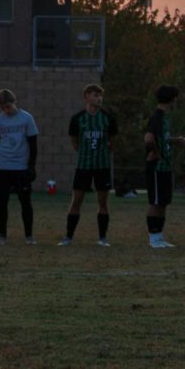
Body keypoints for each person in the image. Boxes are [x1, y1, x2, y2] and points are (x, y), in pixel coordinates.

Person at [60, 84, 117, 247]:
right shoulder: (77, 118)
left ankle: (102, 238)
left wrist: (103, 153)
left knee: (103, 202)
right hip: (83, 166)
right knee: (76, 200)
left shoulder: (108, 118)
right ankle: (68, 237)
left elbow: (112, 143)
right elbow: (74, 142)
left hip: (102, 166)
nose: (98, 98)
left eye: (100, 95)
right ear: (86, 97)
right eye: (95, 95)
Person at [0, 88, 38, 246]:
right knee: (2, 202)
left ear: (14, 102)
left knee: (25, 202)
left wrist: (31, 167)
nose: (6, 110)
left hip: (21, 168)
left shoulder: (26, 118)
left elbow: (33, 145)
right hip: (3, 167)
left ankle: (29, 236)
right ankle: (2, 236)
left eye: (8, 106)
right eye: (2, 107)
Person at [144, 86, 185, 248]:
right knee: (155, 202)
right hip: (156, 166)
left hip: (165, 167)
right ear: (172, 99)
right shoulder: (156, 117)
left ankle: (159, 236)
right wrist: (156, 153)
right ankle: (153, 238)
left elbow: (162, 138)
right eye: (176, 98)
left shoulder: (164, 117)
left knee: (163, 202)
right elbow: (148, 138)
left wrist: (176, 140)